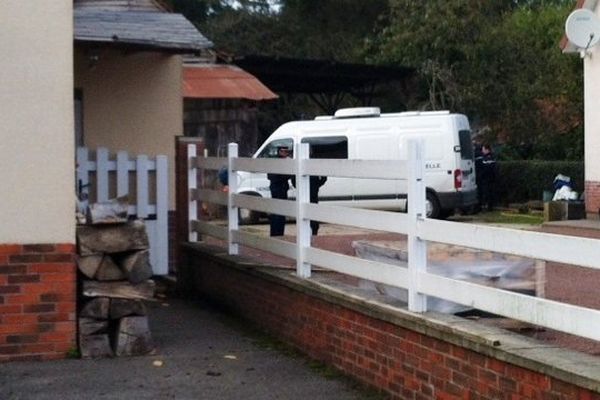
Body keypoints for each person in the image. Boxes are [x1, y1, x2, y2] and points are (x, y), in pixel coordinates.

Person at [267, 146, 293, 236]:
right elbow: (271, 176)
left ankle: (279, 233)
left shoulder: (286, 162)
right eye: (283, 151)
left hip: (282, 189)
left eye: (286, 152)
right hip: (277, 189)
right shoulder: (275, 162)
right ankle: (276, 233)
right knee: (276, 213)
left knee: (281, 213)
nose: (285, 153)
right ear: (279, 152)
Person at [478, 144, 497, 211]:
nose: (482, 151)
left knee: (487, 193)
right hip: (491, 178)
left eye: (483, 149)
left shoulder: (487, 158)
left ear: (487, 150)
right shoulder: (492, 156)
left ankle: (488, 207)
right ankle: (489, 206)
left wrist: (481, 175)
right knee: (490, 192)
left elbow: (486, 168)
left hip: (487, 178)